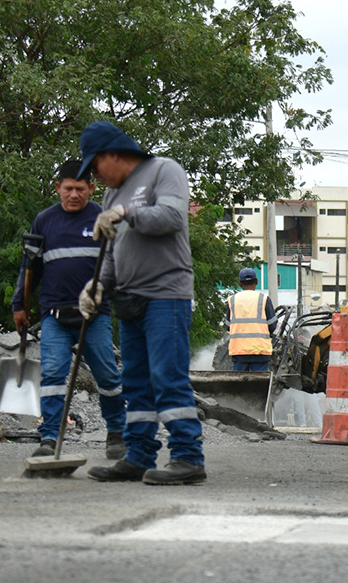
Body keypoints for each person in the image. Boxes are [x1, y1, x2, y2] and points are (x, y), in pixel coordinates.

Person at [77, 120, 206, 486]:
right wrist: (97, 286)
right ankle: (138, 455)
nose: (96, 177)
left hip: (166, 294)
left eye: (95, 166)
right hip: (129, 299)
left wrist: (127, 213)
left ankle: (188, 457)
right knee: (135, 383)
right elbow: (114, 253)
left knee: (167, 376)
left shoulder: (164, 170)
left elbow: (171, 217)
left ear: (112, 155)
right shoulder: (111, 196)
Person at [12, 160, 127, 460]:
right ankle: (48, 437)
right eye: (68, 189)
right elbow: (30, 268)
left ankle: (116, 432)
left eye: (80, 189)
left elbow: (117, 266)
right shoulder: (45, 221)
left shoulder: (103, 220)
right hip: (55, 317)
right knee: (52, 376)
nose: (74, 195)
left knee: (107, 377)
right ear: (58, 188)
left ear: (91, 188)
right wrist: (19, 306)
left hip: (95, 316)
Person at [226, 267, 277, 372]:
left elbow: (228, 326)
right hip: (260, 351)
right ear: (256, 281)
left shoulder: (231, 300)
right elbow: (272, 325)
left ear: (240, 283)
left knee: (239, 384)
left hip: (239, 351)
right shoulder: (264, 299)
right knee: (259, 385)